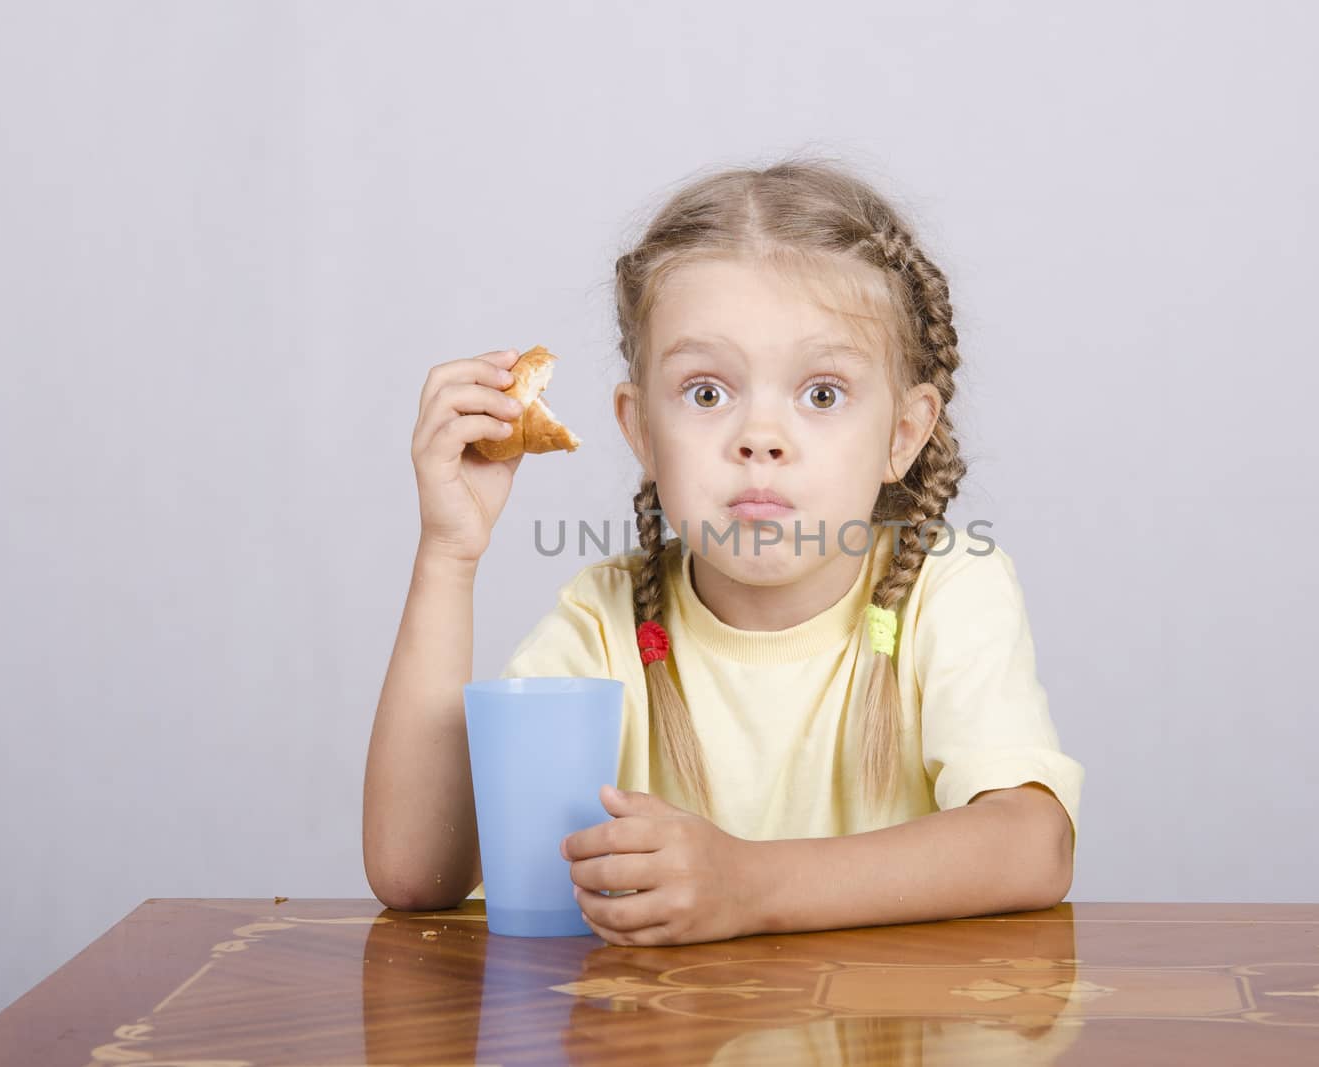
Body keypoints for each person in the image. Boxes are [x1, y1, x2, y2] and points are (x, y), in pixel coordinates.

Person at [363, 158, 1086, 946]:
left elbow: (1032, 843)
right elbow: (415, 871)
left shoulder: (947, 592)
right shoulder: (608, 625)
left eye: (821, 393)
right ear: (641, 431)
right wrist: (449, 553)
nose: (759, 438)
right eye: (707, 392)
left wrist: (749, 884)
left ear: (903, 434)